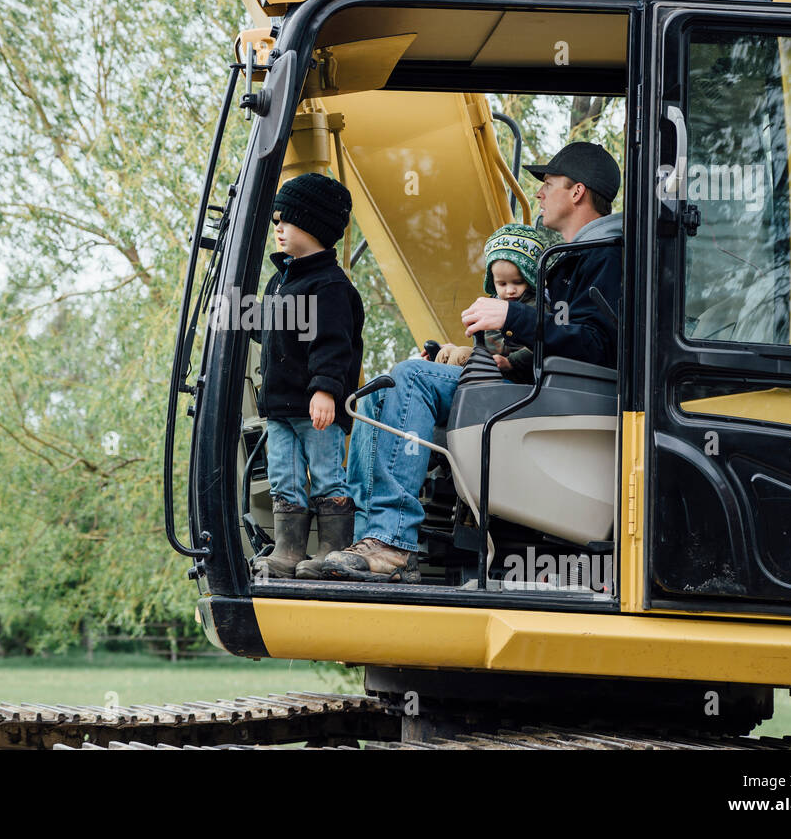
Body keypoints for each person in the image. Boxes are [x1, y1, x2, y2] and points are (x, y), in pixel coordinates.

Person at [320, 142, 623, 583]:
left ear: (577, 192)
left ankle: (391, 541)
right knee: (388, 385)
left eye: (549, 185)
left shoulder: (605, 254)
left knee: (411, 380)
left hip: (564, 400)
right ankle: (366, 537)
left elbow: (599, 344)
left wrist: (512, 316)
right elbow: (565, 342)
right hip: (534, 384)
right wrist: (509, 363)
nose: (538, 195)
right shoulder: (577, 256)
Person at [251, 172, 365, 580]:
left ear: (313, 225)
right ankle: (288, 550)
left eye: (286, 220)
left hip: (317, 408)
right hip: (280, 409)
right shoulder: (278, 282)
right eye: (275, 221)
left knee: (327, 474)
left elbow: (335, 346)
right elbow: (264, 331)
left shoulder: (330, 286)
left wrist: (326, 391)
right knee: (284, 477)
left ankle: (333, 549)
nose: (277, 228)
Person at [433, 222, 555, 385]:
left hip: (517, 374)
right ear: (493, 281)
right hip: (491, 364)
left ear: (531, 278)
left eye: (517, 282)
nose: (510, 290)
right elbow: (485, 346)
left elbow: (543, 344)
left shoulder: (536, 306)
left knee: (461, 355)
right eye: (502, 284)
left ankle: (445, 395)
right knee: (447, 352)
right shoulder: (493, 305)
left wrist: (512, 362)